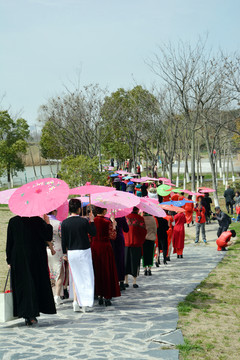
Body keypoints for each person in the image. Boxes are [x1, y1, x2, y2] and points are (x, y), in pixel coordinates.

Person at [6, 215, 56, 326]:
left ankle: (26, 314)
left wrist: (9, 259)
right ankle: (32, 313)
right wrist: (47, 224)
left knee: (23, 287)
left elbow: (10, 241)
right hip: (35, 258)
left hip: (18, 258)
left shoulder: (13, 221)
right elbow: (47, 236)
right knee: (33, 285)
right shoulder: (37, 221)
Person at [61, 199, 96, 312]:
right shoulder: (84, 221)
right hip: (84, 250)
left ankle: (75, 301)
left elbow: (64, 241)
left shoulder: (65, 223)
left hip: (71, 252)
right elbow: (93, 233)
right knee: (86, 277)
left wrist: (64, 253)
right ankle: (84, 303)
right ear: (79, 209)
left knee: (75, 276)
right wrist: (92, 221)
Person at [91, 207, 121, 306]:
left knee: (97, 270)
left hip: (95, 248)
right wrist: (114, 225)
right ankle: (107, 296)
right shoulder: (107, 222)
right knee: (106, 270)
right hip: (105, 247)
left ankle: (99, 294)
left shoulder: (92, 222)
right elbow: (113, 236)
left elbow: (89, 235)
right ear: (103, 211)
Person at [123, 207, 147, 288]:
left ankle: (125, 281)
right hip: (136, 244)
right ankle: (134, 281)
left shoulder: (126, 217)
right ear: (137, 210)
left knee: (126, 262)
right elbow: (144, 231)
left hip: (126, 243)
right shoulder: (140, 219)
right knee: (135, 262)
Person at [47, 210, 65, 306]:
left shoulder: (44, 222)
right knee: (59, 271)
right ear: (54, 211)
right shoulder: (58, 223)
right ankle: (57, 295)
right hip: (57, 248)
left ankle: (51, 294)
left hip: (46, 249)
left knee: (50, 271)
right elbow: (62, 236)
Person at [111, 217, 129, 291]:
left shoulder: (108, 217)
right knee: (120, 260)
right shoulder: (122, 217)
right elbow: (126, 229)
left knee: (113, 260)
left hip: (111, 240)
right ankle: (121, 281)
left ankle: (114, 281)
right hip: (120, 239)